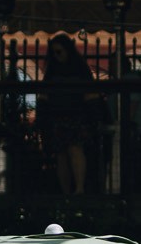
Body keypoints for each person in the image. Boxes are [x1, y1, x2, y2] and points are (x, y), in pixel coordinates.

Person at [37, 33, 102, 197]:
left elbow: (44, 95)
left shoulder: (54, 72)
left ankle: (76, 189)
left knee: (71, 150)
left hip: (71, 115)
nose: (56, 56)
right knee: (65, 153)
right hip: (67, 115)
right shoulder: (78, 69)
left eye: (58, 52)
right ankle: (73, 189)